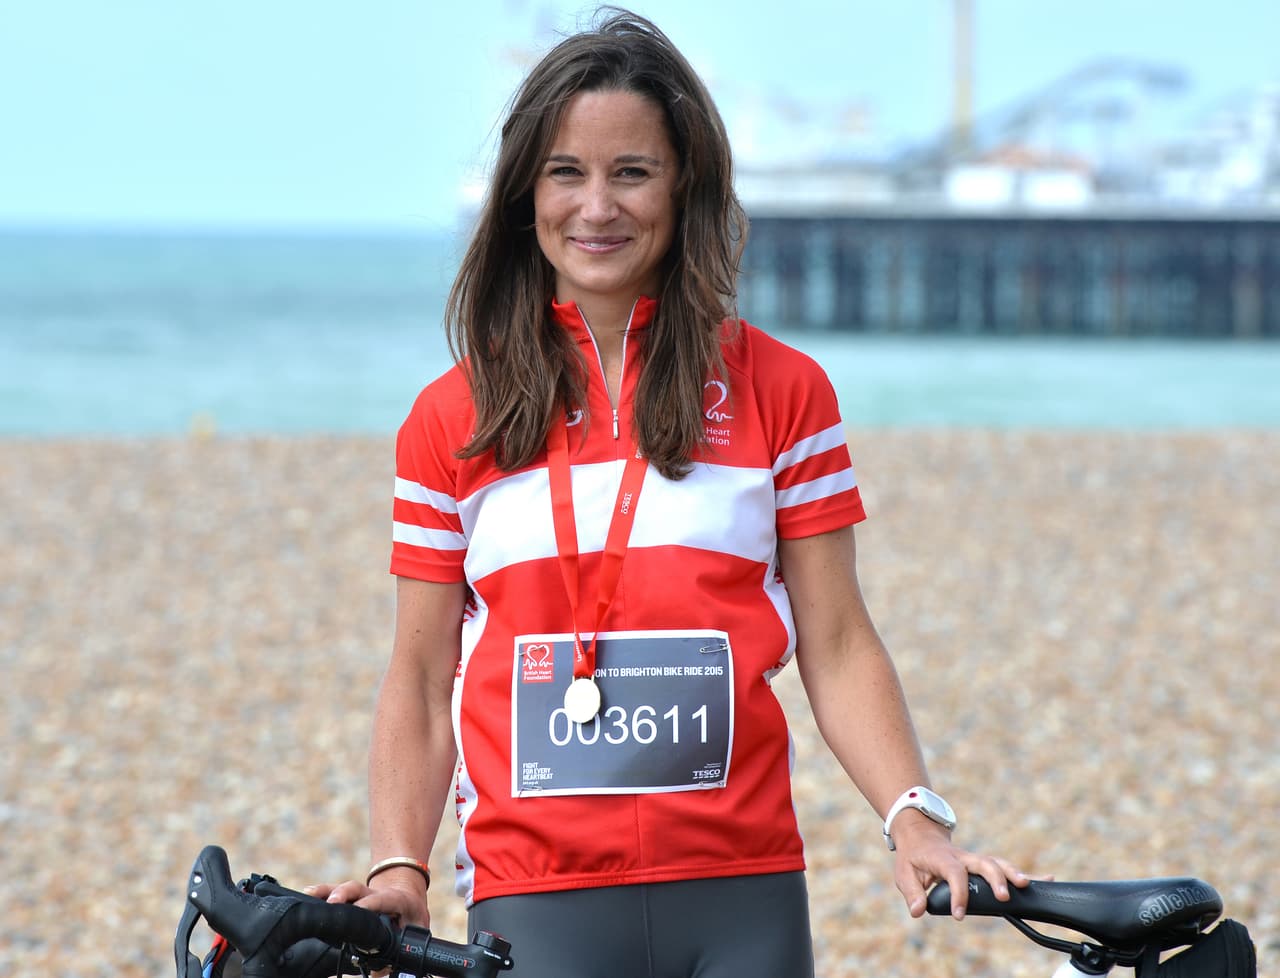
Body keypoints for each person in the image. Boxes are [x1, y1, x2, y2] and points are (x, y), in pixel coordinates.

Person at [313, 9, 1030, 976]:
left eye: (632, 172)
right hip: (535, 892)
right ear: (526, 191)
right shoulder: (452, 419)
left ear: (683, 184)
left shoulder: (784, 391)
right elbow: (417, 671)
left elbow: (838, 636)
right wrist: (402, 866)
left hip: (744, 888)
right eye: (566, 171)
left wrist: (916, 817)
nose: (596, 206)